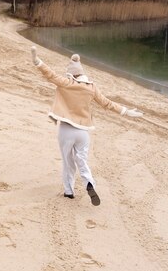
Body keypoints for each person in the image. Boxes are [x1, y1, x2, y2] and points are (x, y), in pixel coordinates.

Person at [30, 46, 143, 206]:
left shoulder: (67, 83)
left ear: (71, 74)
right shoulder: (91, 88)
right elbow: (107, 103)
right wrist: (126, 111)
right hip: (83, 132)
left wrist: (38, 62)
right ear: (83, 74)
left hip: (66, 129)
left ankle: (69, 192)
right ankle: (89, 183)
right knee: (81, 159)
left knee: (67, 161)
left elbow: (51, 75)